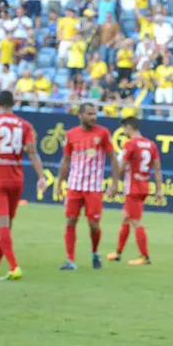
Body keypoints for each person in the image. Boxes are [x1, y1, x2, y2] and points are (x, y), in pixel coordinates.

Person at [0, 90, 47, 280]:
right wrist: (41, 176)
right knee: (6, 226)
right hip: (17, 179)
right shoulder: (25, 125)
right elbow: (32, 152)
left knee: (2, 225)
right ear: (14, 103)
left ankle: (14, 266)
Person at [55, 103, 120, 270]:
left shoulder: (103, 133)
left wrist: (114, 183)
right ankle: (70, 260)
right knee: (70, 220)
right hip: (74, 185)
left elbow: (113, 158)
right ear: (80, 115)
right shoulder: (71, 134)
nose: (93, 117)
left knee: (93, 224)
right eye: (90, 114)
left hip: (94, 187)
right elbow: (66, 160)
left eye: (95, 114)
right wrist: (59, 182)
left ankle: (95, 252)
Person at [106, 117, 163, 265]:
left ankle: (145, 256)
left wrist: (114, 185)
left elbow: (122, 164)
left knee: (136, 221)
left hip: (133, 187)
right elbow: (157, 169)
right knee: (125, 217)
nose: (123, 132)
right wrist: (159, 190)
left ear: (129, 127)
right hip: (144, 186)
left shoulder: (130, 144)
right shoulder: (151, 145)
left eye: (124, 128)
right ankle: (118, 253)